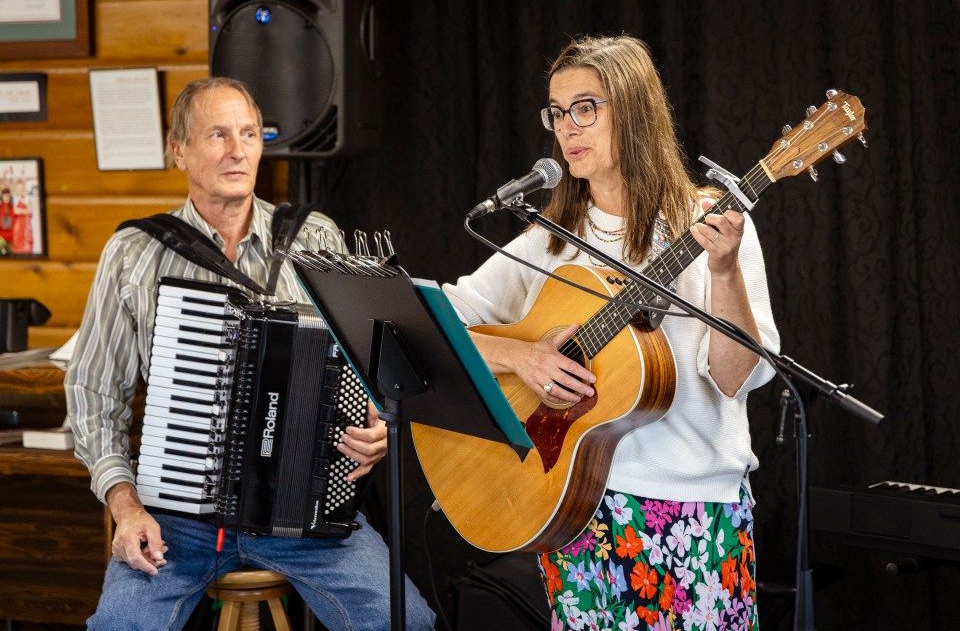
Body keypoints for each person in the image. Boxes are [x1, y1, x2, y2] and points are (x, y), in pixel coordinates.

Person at [66, 77, 436, 631]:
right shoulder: (134, 253)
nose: (238, 151)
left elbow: (366, 363)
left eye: (249, 134)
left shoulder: (314, 239)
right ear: (179, 151)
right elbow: (92, 396)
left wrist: (377, 422)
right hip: (177, 521)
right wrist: (126, 506)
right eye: (217, 134)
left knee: (405, 622)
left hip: (303, 512)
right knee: (119, 627)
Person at [442, 35, 780, 629]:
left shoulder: (711, 225)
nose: (567, 128)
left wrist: (725, 271)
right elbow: (442, 323)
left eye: (585, 108)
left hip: (698, 510)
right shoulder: (551, 239)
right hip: (578, 509)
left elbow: (735, 380)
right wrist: (522, 358)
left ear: (634, 111)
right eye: (557, 112)